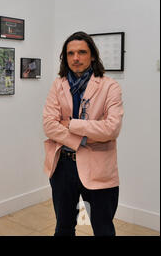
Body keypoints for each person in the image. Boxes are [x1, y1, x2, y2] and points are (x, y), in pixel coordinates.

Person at [42, 31, 124, 236]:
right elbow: (49, 125)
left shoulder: (109, 86)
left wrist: (71, 124)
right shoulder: (58, 85)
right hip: (63, 166)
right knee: (63, 227)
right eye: (70, 53)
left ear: (93, 56)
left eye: (81, 52)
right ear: (65, 57)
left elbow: (112, 128)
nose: (76, 58)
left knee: (103, 228)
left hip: (98, 167)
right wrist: (87, 137)